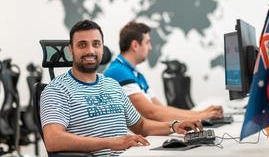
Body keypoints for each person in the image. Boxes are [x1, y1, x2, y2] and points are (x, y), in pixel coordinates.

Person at [40, 20, 202, 157]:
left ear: (102, 48)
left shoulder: (112, 85)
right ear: (71, 49)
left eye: (96, 44)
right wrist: (110, 143)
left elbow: (141, 126)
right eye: (82, 45)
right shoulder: (57, 90)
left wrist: (174, 125)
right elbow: (53, 139)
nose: (90, 50)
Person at [104, 21, 224, 122]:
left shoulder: (135, 73)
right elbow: (151, 113)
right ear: (135, 45)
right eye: (147, 42)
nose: (150, 48)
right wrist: (201, 116)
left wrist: (200, 113)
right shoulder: (118, 72)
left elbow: (160, 108)